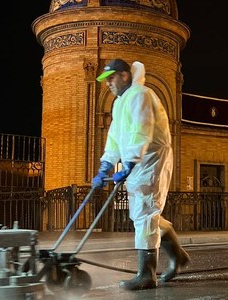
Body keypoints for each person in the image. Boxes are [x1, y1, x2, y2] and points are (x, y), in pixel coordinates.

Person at [92, 58, 190, 290]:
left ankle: (146, 275)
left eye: (111, 78)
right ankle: (178, 256)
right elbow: (115, 138)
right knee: (142, 214)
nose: (108, 84)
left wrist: (129, 164)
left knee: (145, 211)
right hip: (139, 160)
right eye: (106, 80)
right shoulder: (120, 102)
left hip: (152, 158)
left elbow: (142, 129)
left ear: (124, 75)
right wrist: (106, 164)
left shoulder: (140, 94)